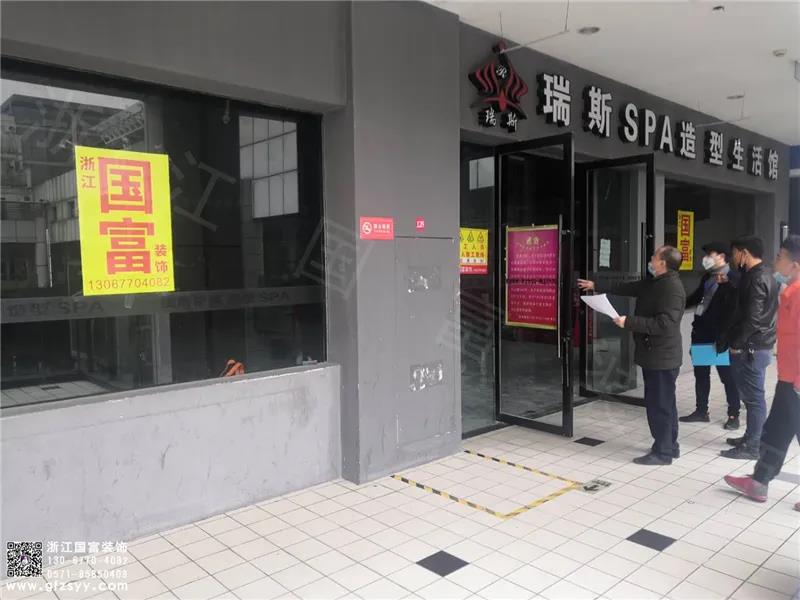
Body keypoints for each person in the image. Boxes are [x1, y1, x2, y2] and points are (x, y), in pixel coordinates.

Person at [578, 246, 686, 465]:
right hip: (654, 353)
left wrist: (629, 322)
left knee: (659, 405)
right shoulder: (656, 282)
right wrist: (596, 285)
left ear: (663, 263)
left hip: (661, 356)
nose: (651, 259)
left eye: (654, 256)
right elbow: (628, 287)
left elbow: (664, 324)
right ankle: (669, 446)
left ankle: (663, 453)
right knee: (664, 403)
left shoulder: (672, 289)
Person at [724, 235, 800, 512]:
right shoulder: (789, 291)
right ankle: (759, 481)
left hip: (797, 381)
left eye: (780, 257)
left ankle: (759, 480)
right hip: (787, 378)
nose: (775, 260)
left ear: (795, 265)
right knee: (776, 431)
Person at [718, 235, 779, 460]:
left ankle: (753, 445)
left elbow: (753, 319)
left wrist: (737, 344)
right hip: (759, 345)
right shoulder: (764, 275)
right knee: (752, 397)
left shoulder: (756, 278)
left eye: (734, 253)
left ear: (744, 253)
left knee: (754, 399)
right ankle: (751, 437)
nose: (733, 258)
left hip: (751, 347)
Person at [679, 242, 741, 429]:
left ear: (721, 256)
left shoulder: (734, 278)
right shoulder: (707, 276)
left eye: (710, 255)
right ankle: (701, 411)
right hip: (701, 332)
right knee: (701, 374)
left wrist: (727, 336)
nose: (705, 258)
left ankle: (733, 414)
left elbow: (736, 308)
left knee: (728, 377)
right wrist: (677, 304)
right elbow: (697, 297)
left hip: (720, 336)